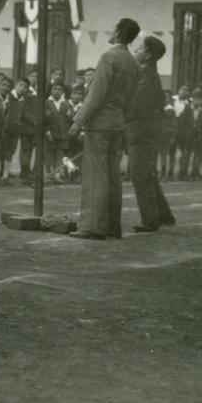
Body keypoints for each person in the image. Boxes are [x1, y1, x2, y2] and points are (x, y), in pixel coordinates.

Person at [69, 18, 140, 240]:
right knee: (112, 176)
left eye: (113, 27)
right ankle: (111, 225)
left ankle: (92, 226)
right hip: (118, 124)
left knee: (95, 176)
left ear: (118, 32)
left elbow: (96, 94)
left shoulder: (109, 57)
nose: (110, 30)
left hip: (100, 125)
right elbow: (131, 98)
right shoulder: (132, 61)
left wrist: (78, 121)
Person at [125, 35, 175, 232]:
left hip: (142, 131)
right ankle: (164, 215)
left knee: (140, 174)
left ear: (148, 55)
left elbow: (136, 106)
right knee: (148, 174)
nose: (136, 51)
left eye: (139, 48)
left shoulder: (148, 77)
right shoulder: (145, 74)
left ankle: (150, 220)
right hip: (143, 130)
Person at [1, 77, 28, 184]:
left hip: (15, 129)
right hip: (5, 128)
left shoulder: (23, 100)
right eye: (20, 85)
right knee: (1, 151)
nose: (22, 88)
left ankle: (4, 175)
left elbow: (23, 115)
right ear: (15, 85)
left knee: (10, 151)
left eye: (25, 87)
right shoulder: (8, 96)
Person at [45, 81, 73, 180]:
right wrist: (47, 132)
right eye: (55, 89)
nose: (57, 91)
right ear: (51, 91)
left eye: (59, 89)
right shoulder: (46, 103)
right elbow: (44, 121)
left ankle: (57, 175)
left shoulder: (66, 104)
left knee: (60, 154)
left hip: (62, 133)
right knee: (49, 154)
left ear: (63, 92)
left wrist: (70, 115)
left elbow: (70, 120)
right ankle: (48, 174)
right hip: (50, 133)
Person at [172, 83, 193, 180]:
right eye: (182, 89)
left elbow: (189, 120)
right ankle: (169, 173)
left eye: (186, 90)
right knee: (171, 152)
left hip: (184, 132)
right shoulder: (172, 100)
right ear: (179, 90)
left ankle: (182, 172)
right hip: (172, 131)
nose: (183, 91)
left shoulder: (189, 103)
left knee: (184, 153)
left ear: (188, 93)